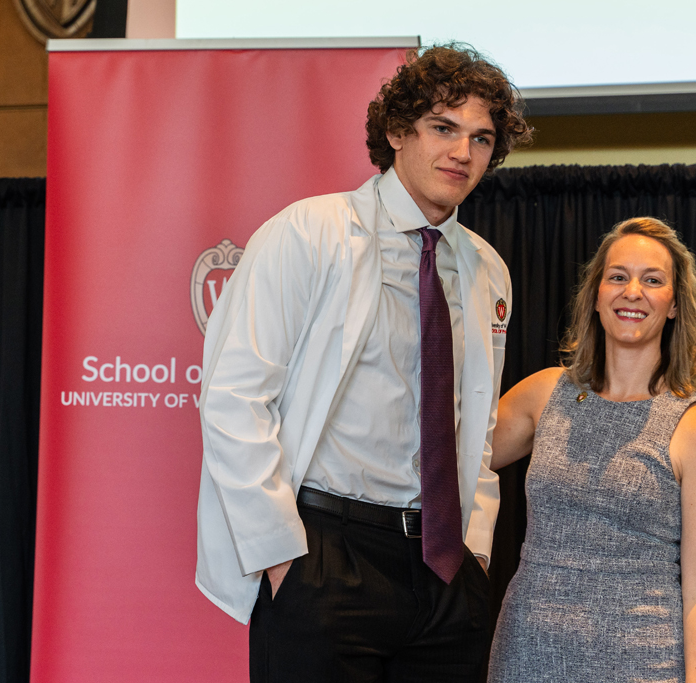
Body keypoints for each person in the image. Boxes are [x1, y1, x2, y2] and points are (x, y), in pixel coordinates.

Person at [194, 44, 533, 683]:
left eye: (481, 138)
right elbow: (234, 398)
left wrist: (476, 552)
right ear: (396, 131)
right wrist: (281, 560)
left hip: (443, 569)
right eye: (443, 127)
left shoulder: (487, 269)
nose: (462, 151)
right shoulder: (307, 232)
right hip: (324, 556)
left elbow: (476, 425)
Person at [486, 217, 696, 683]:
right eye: (618, 276)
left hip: (640, 662)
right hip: (526, 652)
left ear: (676, 304)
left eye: (653, 280)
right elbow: (447, 462)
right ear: (596, 295)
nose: (632, 291)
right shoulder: (545, 393)